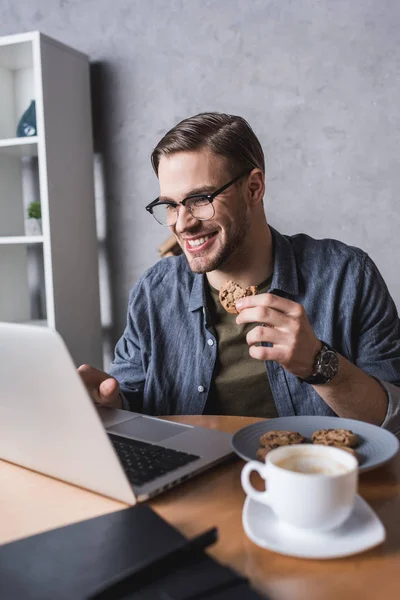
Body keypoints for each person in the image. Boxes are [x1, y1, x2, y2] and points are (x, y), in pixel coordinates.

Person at [79, 112, 400, 435]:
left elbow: (393, 424)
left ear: (254, 188)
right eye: (172, 205)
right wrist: (109, 404)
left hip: (309, 481)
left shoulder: (348, 276)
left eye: (200, 199)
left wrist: (318, 364)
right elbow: (132, 405)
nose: (182, 223)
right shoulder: (154, 291)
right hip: (190, 484)